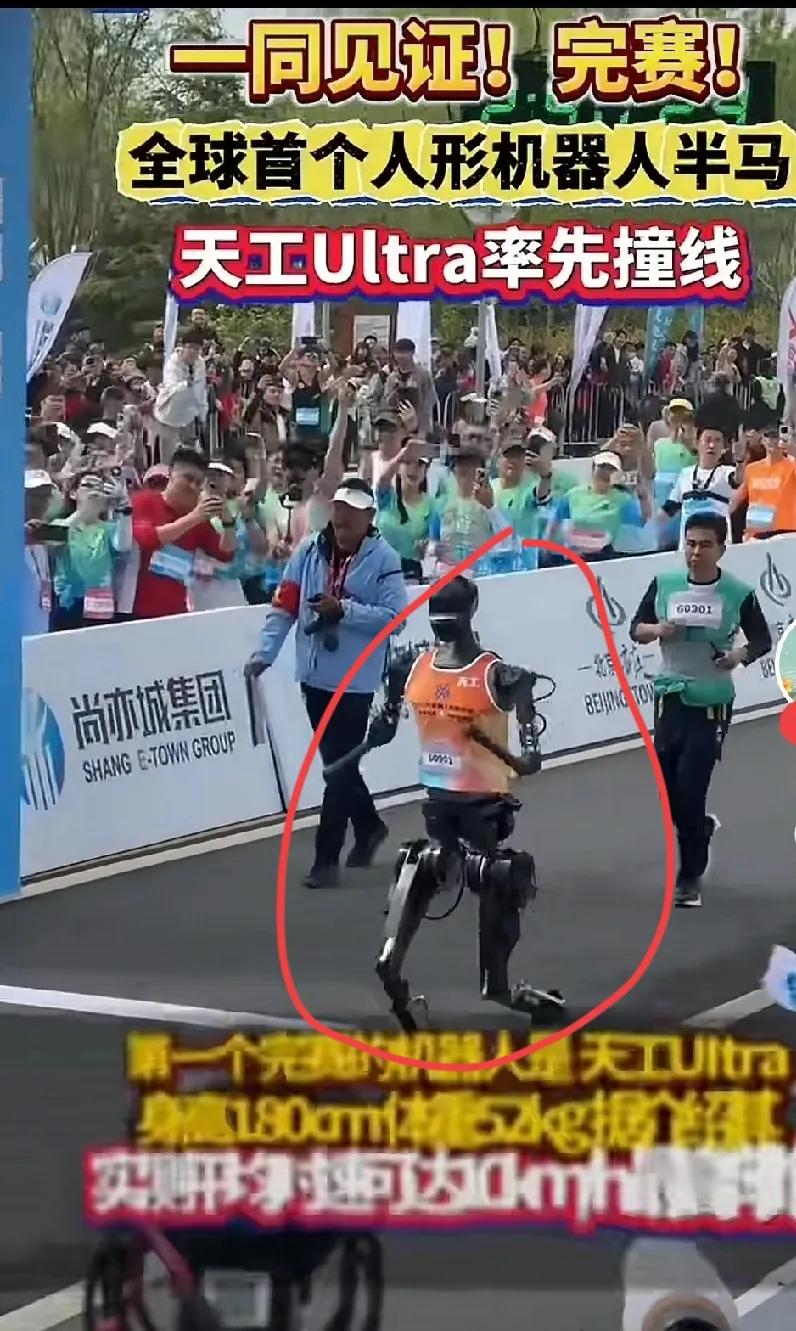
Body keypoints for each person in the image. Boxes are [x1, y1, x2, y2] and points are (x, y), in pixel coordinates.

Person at [339, 574, 565, 1029]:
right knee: (483, 874)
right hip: (459, 812)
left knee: (481, 872)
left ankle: (483, 985)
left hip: (468, 812)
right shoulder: (444, 670)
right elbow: (384, 727)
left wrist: (512, 743)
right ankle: (468, 988)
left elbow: (530, 759)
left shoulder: (470, 673)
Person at [246, 478, 407, 890]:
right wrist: (265, 652)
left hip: (355, 680)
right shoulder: (307, 551)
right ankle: (368, 826)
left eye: (352, 510)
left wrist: (345, 611)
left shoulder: (384, 558)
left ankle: (326, 859)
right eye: (338, 508)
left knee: (337, 768)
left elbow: (395, 619)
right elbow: (284, 603)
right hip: (314, 674)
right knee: (339, 762)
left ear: (370, 516)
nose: (342, 517)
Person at [630, 512, 771, 908]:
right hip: (670, 697)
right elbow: (636, 628)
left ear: (722, 549)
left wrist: (737, 656)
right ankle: (701, 829)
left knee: (692, 790)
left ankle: (689, 876)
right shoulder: (665, 583)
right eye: (690, 543)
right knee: (671, 794)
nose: (695, 552)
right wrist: (657, 630)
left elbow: (762, 639)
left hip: (711, 701)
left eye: (705, 545)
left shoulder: (738, 593)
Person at [130, 445, 236, 619]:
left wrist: (228, 523)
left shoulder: (198, 518)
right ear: (171, 475)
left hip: (177, 614)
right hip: (138, 613)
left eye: (199, 483)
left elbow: (225, 553)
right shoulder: (144, 501)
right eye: (188, 478)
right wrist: (194, 517)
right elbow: (146, 539)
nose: (193, 487)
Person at [546, 451, 645, 562]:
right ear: (593, 469)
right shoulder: (574, 494)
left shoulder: (623, 499)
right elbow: (556, 521)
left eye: (611, 469)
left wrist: (643, 494)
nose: (606, 473)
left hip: (603, 556)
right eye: (602, 467)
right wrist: (549, 550)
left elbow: (642, 520)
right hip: (573, 555)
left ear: (617, 474)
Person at [660, 425, 740, 550]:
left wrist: (740, 461)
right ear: (697, 444)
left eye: (717, 441)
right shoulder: (685, 474)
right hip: (688, 547)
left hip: (718, 547)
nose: (712, 445)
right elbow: (669, 509)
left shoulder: (727, 472)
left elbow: (737, 479)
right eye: (707, 440)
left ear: (724, 448)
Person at [728, 421, 796, 540]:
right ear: (763, 440)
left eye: (777, 437)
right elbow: (734, 502)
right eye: (769, 436)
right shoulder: (752, 469)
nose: (773, 441)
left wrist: (792, 451)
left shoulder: (792, 466)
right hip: (756, 534)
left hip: (786, 533)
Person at [153, 331, 208, 463]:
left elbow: (201, 390)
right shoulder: (172, 363)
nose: (193, 352)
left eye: (197, 349)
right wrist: (187, 384)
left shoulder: (200, 363)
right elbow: (172, 389)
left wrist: (203, 415)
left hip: (188, 415)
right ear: (182, 347)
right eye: (190, 347)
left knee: (189, 455)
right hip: (169, 414)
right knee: (168, 457)